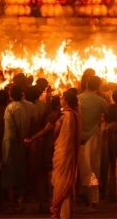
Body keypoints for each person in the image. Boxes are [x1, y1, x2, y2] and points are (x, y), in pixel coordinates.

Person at [78, 75, 110, 211]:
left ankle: (84, 196)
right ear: (97, 87)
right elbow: (108, 115)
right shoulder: (101, 101)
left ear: (85, 85)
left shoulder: (78, 99)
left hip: (78, 138)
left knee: (81, 168)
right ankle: (93, 201)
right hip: (94, 138)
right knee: (93, 168)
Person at [49, 89, 82, 219]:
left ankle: (60, 212)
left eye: (62, 98)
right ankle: (66, 212)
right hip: (70, 152)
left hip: (63, 152)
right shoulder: (76, 114)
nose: (60, 100)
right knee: (68, 181)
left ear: (67, 101)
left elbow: (56, 131)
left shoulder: (66, 116)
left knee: (61, 181)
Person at [1, 83, 32, 212]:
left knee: (9, 172)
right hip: (22, 142)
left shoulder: (10, 108)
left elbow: (11, 128)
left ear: (10, 95)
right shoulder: (28, 107)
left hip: (10, 142)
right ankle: (20, 202)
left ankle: (12, 205)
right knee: (21, 171)